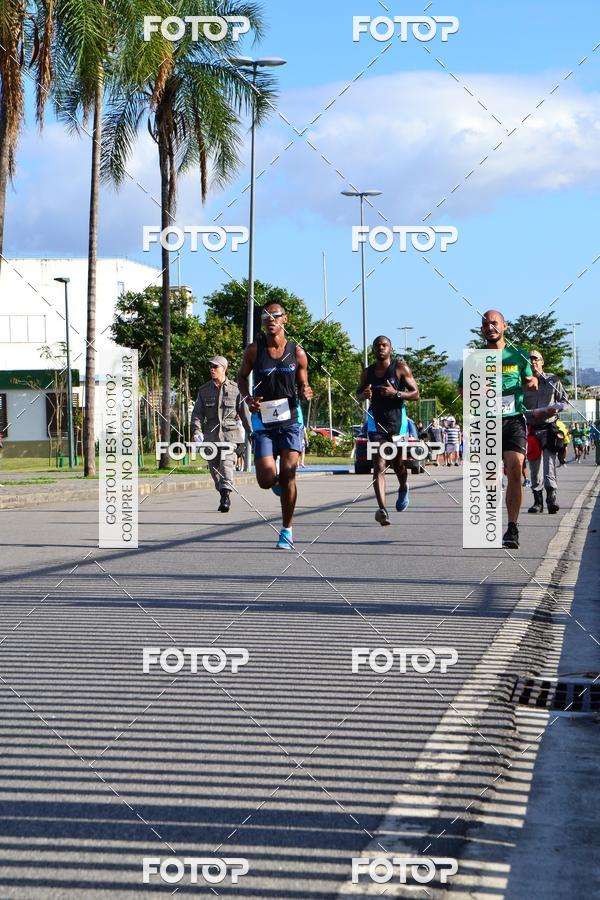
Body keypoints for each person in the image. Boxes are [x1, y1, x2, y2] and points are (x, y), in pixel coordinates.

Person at [459, 310, 537, 549]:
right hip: (485, 421)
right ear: (482, 330)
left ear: (504, 326)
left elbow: (530, 381)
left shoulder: (518, 355)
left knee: (514, 469)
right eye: (485, 324)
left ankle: (512, 528)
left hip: (513, 419)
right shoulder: (475, 359)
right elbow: (462, 391)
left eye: (494, 323)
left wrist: (532, 382)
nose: (490, 327)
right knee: (489, 478)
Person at [237, 302, 313, 550]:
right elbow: (241, 375)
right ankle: (277, 483)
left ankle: (287, 530)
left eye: (275, 316)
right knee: (266, 480)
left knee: (290, 472)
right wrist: (248, 398)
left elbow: (303, 382)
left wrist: (306, 390)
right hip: (264, 420)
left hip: (291, 419)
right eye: (265, 317)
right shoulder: (254, 350)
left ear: (285, 319)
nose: (270, 320)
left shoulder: (297, 352)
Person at [356, 335, 420, 526]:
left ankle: (403, 486)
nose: (381, 348)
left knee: (398, 463)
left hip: (397, 423)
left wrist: (396, 393)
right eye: (377, 346)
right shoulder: (367, 373)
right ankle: (382, 509)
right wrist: (363, 395)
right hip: (376, 423)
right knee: (379, 465)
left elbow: (416, 394)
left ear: (390, 349)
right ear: (373, 350)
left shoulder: (400, 368)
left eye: (384, 345)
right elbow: (358, 393)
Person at [190, 356, 251, 512]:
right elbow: (197, 414)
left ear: (224, 369)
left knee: (226, 462)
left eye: (215, 367)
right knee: (214, 470)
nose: (212, 369)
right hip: (210, 437)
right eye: (210, 366)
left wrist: (248, 437)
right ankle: (223, 490)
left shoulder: (236, 389)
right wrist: (196, 431)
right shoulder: (204, 391)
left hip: (230, 435)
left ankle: (225, 496)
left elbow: (244, 415)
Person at [523, 350, 567, 514]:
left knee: (549, 465)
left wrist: (556, 409)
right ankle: (537, 501)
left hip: (549, 427)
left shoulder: (553, 380)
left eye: (536, 360)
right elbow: (518, 407)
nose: (533, 363)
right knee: (534, 467)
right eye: (530, 361)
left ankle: (551, 499)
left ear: (542, 362)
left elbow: (564, 401)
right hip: (533, 429)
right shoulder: (523, 382)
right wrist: (530, 413)